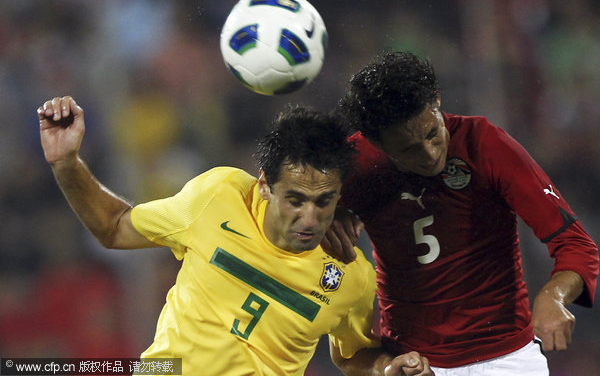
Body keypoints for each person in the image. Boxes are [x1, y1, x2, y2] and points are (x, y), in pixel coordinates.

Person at [37, 96, 434, 376]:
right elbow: (114, 227)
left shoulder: (352, 276)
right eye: (295, 200)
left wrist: (385, 368)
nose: (309, 218)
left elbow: (354, 357)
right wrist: (66, 163)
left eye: (323, 201)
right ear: (264, 185)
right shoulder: (218, 196)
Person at [323, 51, 600, 375]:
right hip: (412, 363)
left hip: (509, 358)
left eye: (432, 133)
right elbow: (286, 196)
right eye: (410, 149)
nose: (430, 154)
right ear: (375, 142)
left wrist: (553, 296)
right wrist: (328, 212)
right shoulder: (356, 166)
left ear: (437, 102)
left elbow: (576, 244)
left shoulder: (485, 145)